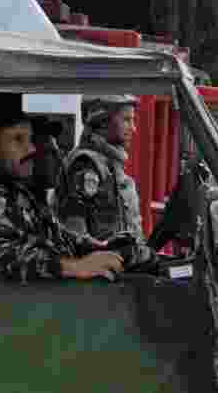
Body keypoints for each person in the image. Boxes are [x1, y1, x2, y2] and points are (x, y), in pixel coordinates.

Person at [0, 94, 124, 282]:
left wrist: (104, 247)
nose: (31, 150)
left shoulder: (26, 197)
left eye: (29, 140)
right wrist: (75, 267)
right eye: (18, 139)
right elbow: (0, 259)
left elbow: (61, 240)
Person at [59, 95, 157, 270]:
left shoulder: (109, 163)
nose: (133, 128)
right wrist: (112, 250)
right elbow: (74, 232)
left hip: (123, 271)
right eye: (126, 120)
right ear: (102, 121)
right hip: (102, 280)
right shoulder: (86, 164)